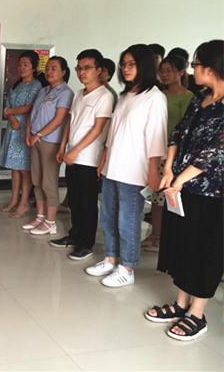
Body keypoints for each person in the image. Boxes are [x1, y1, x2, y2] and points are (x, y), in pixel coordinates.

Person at [145, 39, 223, 341]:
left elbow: (216, 152)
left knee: (206, 248)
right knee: (184, 244)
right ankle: (180, 303)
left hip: (211, 193)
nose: (192, 69)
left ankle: (197, 314)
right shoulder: (200, 97)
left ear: (211, 68)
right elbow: (178, 133)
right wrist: (168, 170)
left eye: (196, 63)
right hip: (181, 186)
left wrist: (180, 179)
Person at [85, 44, 167, 287]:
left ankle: (127, 268)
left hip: (134, 171)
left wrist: (153, 173)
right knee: (108, 218)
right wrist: (104, 159)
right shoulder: (124, 95)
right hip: (113, 167)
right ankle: (112, 259)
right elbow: (113, 132)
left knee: (127, 221)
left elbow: (156, 138)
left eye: (132, 64)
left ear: (144, 65)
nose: (126, 68)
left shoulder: (155, 97)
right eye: (124, 64)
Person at [50, 49, 113, 260]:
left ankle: (86, 243)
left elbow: (98, 129)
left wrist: (76, 151)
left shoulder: (104, 96)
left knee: (87, 203)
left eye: (87, 68)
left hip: (89, 159)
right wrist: (63, 147)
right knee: (75, 200)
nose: (81, 72)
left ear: (99, 70)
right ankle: (74, 235)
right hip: (72, 156)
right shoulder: (79, 94)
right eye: (79, 68)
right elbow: (70, 121)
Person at [142, 55, 194, 252]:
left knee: (166, 198)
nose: (164, 74)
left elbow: (183, 129)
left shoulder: (186, 96)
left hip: (172, 154)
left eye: (169, 71)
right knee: (155, 197)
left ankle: (163, 239)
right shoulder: (159, 94)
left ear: (181, 72)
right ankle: (154, 234)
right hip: (155, 150)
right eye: (161, 71)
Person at [22, 56, 74, 235]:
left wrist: (38, 135)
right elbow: (33, 113)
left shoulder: (65, 93)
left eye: (54, 68)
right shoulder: (44, 90)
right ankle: (40, 217)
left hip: (50, 141)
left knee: (49, 182)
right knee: (37, 180)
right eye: (47, 68)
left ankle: (51, 222)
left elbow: (59, 119)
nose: (49, 72)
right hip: (35, 140)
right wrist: (28, 133)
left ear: (63, 72)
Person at [0, 51, 43, 218]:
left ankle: (24, 203)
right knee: (14, 168)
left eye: (26, 64)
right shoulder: (16, 85)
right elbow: (6, 107)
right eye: (19, 65)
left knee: (24, 168)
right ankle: (14, 199)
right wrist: (10, 116)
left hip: (26, 130)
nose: (22, 68)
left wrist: (9, 112)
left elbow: (31, 107)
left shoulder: (36, 86)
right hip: (13, 128)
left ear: (34, 67)